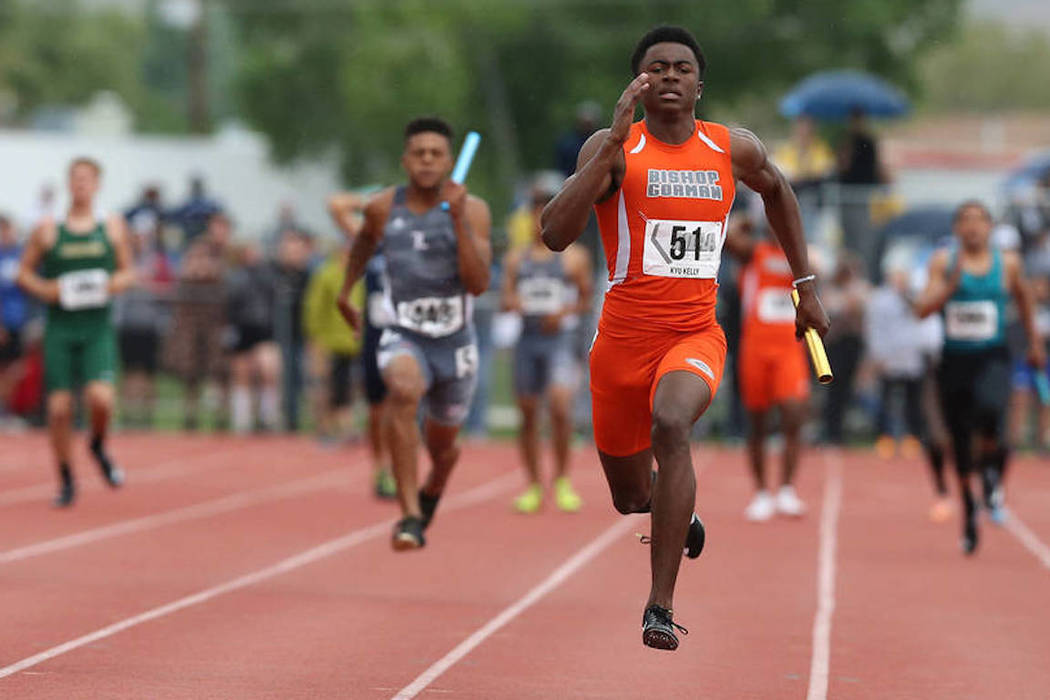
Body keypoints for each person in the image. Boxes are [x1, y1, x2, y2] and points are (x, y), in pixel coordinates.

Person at [541, 26, 829, 650]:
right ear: (637, 84)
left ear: (701, 83)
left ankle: (660, 607)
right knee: (626, 497)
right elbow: (554, 234)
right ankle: (678, 511)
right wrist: (613, 140)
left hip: (693, 336)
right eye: (656, 69)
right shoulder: (615, 146)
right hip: (619, 344)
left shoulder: (733, 148)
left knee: (673, 426)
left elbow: (779, 191)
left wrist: (806, 285)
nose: (670, 77)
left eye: (682, 68)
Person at [335, 117, 492, 550]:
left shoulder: (473, 209)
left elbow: (479, 283)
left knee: (443, 448)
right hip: (404, 332)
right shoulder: (383, 207)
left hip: (455, 344)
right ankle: (407, 516)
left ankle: (435, 482)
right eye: (418, 153)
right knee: (402, 391)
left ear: (449, 161)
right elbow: (364, 242)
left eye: (435, 153)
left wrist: (458, 221)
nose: (426, 160)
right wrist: (346, 291)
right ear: (405, 160)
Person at [914, 201, 1046, 554]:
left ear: (989, 227)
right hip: (955, 360)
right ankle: (970, 510)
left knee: (993, 416)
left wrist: (1034, 343)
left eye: (979, 221)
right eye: (965, 221)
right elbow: (921, 310)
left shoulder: (1009, 263)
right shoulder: (944, 262)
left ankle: (990, 481)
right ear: (957, 228)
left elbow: (1025, 300)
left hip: (993, 356)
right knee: (958, 439)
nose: (972, 228)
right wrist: (949, 287)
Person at [16, 158, 134, 506]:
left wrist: (107, 284)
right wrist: (46, 290)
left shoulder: (110, 226)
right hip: (61, 329)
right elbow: (23, 272)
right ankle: (66, 478)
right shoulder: (49, 229)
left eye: (88, 179)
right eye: (76, 179)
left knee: (101, 399)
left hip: (96, 328)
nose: (81, 185)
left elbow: (129, 273)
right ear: (68, 183)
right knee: (58, 410)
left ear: (97, 185)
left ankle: (97, 443)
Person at [502, 183, 592, 514]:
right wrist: (512, 302)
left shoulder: (574, 258)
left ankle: (563, 480)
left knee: (558, 407)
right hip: (527, 340)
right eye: (535, 211)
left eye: (547, 209)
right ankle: (533, 484)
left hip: (559, 342)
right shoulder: (516, 258)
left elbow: (585, 299)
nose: (540, 218)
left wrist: (563, 312)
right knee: (527, 414)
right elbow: (505, 299)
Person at [724, 214, 809, 521]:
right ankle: (761, 493)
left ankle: (786, 489)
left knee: (792, 413)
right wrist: (743, 222)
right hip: (756, 347)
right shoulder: (754, 252)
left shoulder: (800, 258)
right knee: (757, 422)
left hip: (789, 348)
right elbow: (727, 237)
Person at [163, 213, 230, 431]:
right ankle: (189, 416)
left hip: (216, 320)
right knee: (190, 372)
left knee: (219, 370)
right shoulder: (198, 247)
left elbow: (224, 276)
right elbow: (188, 272)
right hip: (191, 320)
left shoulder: (230, 253)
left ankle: (221, 418)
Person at [226, 241, 282, 433]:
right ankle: (242, 420)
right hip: (242, 328)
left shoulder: (267, 274)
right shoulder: (234, 276)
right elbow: (231, 301)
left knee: (268, 370)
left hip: (263, 328)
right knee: (241, 375)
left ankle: (268, 417)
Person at [0, 215, 30, 424]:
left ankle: (6, 409)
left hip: (19, 321)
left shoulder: (23, 255)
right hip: (2, 321)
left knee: (16, 367)